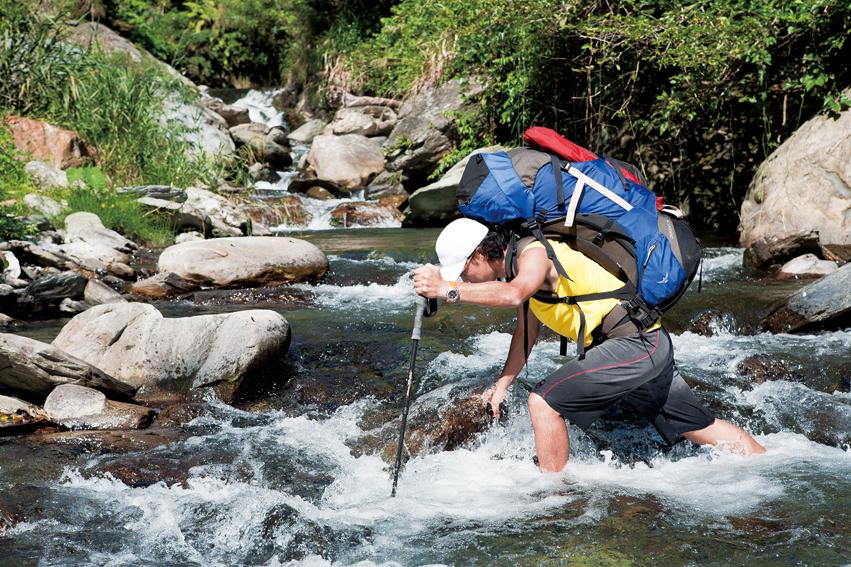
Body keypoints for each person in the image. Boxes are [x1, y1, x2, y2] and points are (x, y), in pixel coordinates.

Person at [412, 218, 765, 472]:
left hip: (632, 345)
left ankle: (555, 499)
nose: (465, 278)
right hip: (645, 343)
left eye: (464, 270)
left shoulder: (533, 254)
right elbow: (525, 334)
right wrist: (502, 385)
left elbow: (513, 294)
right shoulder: (521, 270)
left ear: (478, 256)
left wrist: (447, 290)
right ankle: (769, 465)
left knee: (544, 401)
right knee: (696, 425)